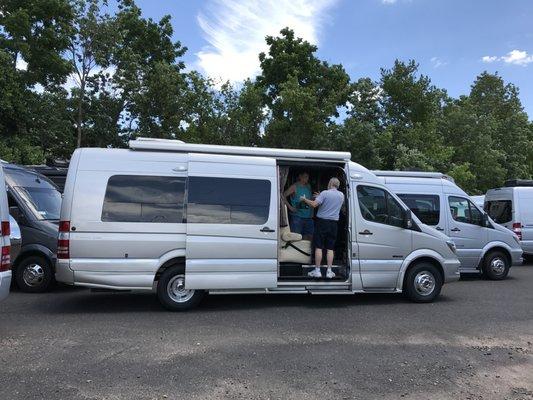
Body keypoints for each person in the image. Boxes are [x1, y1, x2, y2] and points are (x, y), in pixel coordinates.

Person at [300, 177, 345, 279]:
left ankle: (317, 270)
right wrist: (320, 196)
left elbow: (314, 204)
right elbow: (332, 203)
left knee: (319, 247)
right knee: (330, 248)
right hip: (334, 224)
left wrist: (304, 199)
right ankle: (329, 271)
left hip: (322, 223)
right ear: (337, 185)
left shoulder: (325, 193)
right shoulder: (341, 195)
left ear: (330, 183)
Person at [283, 172, 314, 240]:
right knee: (296, 238)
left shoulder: (308, 186)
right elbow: (283, 195)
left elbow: (309, 198)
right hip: (297, 217)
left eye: (308, 177)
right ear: (300, 176)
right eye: (305, 176)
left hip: (309, 217)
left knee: (310, 238)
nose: (307, 178)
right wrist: (290, 207)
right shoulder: (294, 186)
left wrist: (315, 198)